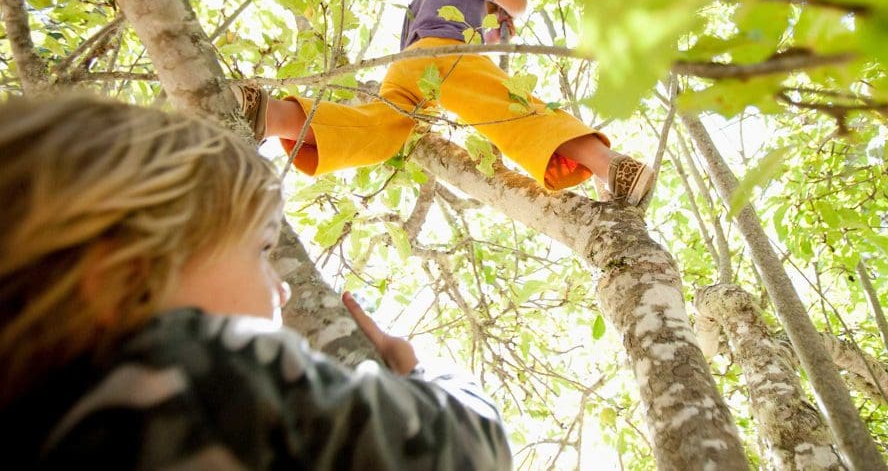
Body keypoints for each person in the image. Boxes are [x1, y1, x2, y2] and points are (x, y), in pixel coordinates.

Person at [0, 95, 512, 469]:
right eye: (261, 250)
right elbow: (472, 447)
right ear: (125, 278)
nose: (283, 288)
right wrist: (420, 374)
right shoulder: (188, 374)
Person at [238, 0, 655, 205]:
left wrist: (489, 30)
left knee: (379, 129)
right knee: (513, 110)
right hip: (443, 57)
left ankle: (269, 114)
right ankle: (610, 165)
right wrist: (500, 1)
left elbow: (455, 40)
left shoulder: (423, 0)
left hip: (408, 66)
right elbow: (519, 3)